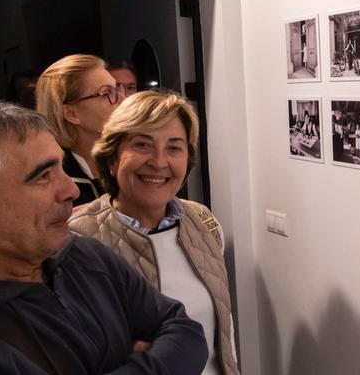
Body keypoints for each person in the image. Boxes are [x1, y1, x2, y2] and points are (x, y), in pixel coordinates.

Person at [0, 95, 207, 374]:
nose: (72, 190)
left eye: (61, 168)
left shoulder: (86, 257)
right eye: (42, 176)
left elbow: (187, 333)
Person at [69, 90, 240, 375]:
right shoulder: (77, 238)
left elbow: (224, 336)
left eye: (174, 147)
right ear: (112, 159)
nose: (159, 162)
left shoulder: (204, 222)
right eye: (142, 145)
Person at [37, 54, 126, 205]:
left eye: (118, 89)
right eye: (107, 93)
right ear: (71, 114)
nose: (123, 99)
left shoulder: (134, 157)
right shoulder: (54, 186)